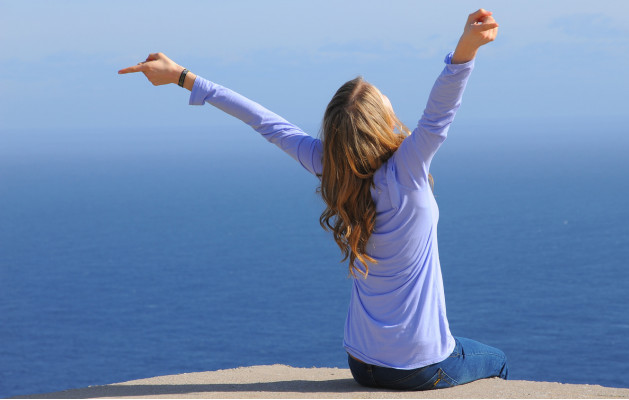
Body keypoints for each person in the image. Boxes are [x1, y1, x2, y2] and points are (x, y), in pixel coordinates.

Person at [119, 8, 506, 391]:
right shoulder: (407, 170)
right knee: (496, 360)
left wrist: (182, 77)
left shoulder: (330, 167)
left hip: (362, 363)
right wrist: (465, 49)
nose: (390, 100)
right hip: (418, 367)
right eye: (384, 99)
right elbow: (440, 112)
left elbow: (264, 122)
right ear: (378, 121)